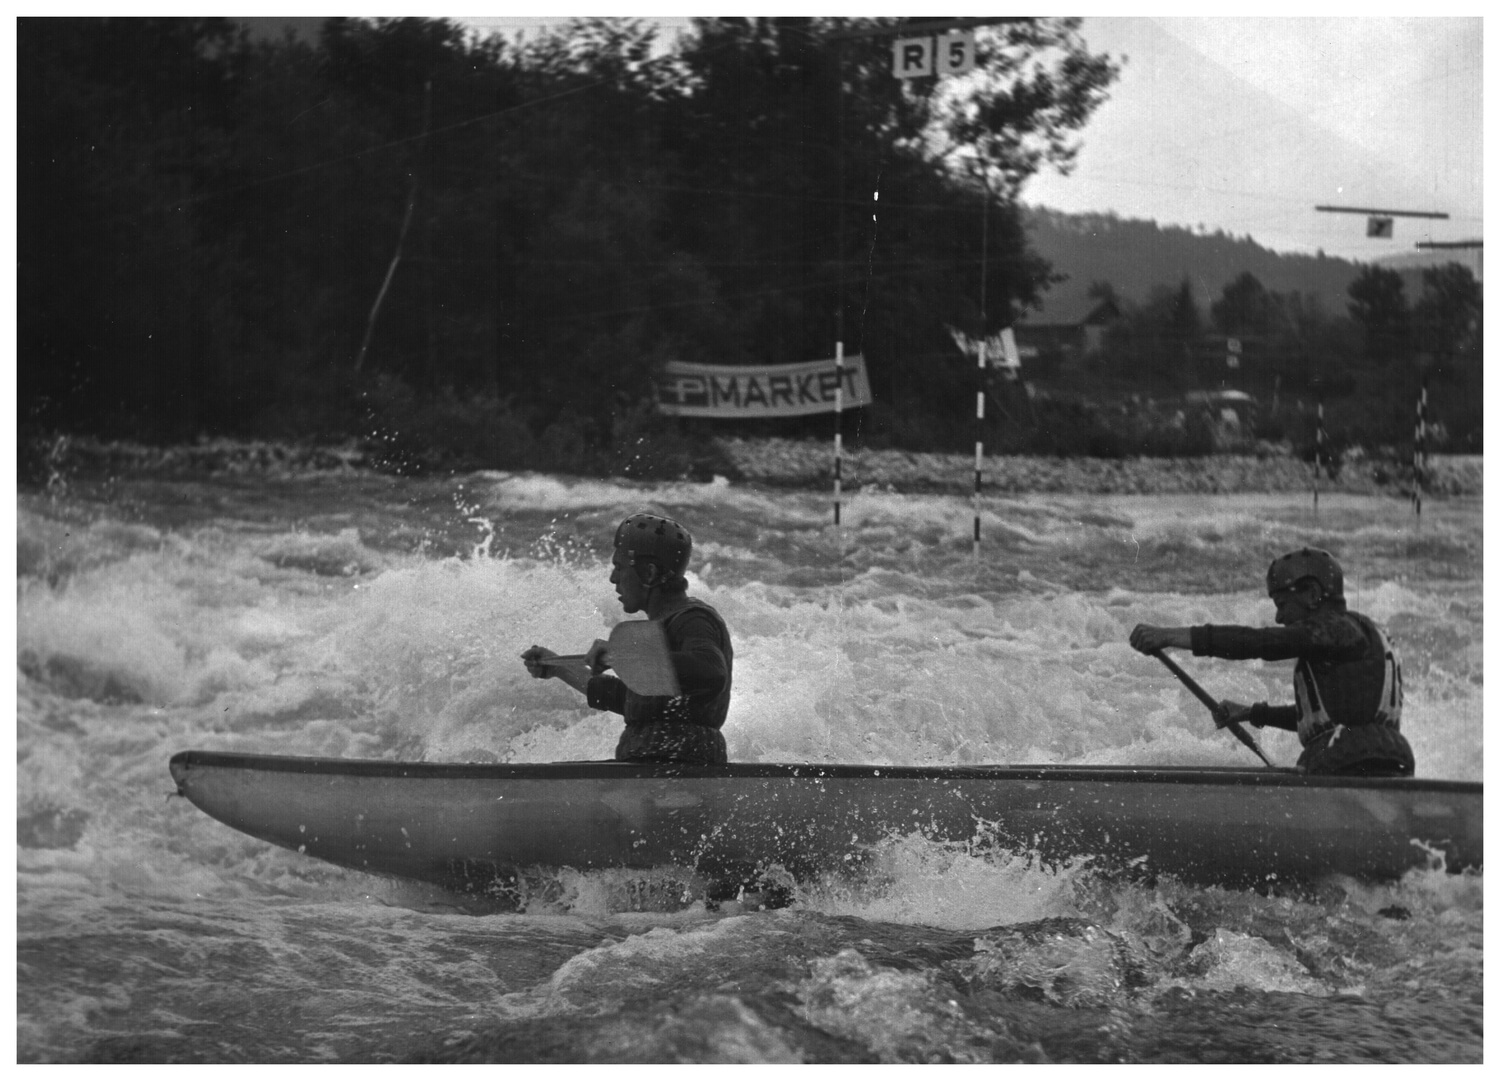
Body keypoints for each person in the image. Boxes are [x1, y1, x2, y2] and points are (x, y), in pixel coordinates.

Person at [1129, 547, 1413, 776]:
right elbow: (1327, 720)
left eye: (1282, 606)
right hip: (1392, 760)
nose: (1279, 618)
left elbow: (1260, 642)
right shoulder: (1360, 634)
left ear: (1312, 595)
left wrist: (1169, 636)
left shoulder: (1337, 629)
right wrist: (1252, 713)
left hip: (1343, 761)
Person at [521, 512, 733, 765]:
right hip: (651, 773)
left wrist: (622, 654)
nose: (613, 578)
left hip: (679, 774)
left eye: (620, 568)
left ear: (650, 573)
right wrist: (557, 667)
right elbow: (632, 701)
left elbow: (711, 671)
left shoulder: (694, 619)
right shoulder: (660, 630)